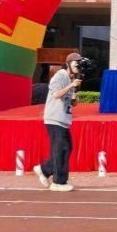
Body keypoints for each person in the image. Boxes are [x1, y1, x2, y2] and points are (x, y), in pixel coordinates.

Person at [33, 54, 82, 192]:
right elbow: (55, 94)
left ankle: (44, 169)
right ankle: (58, 182)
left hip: (64, 118)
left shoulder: (72, 79)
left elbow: (72, 103)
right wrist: (71, 85)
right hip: (55, 117)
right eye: (76, 63)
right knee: (61, 149)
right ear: (68, 63)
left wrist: (74, 97)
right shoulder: (60, 76)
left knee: (66, 148)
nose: (78, 66)